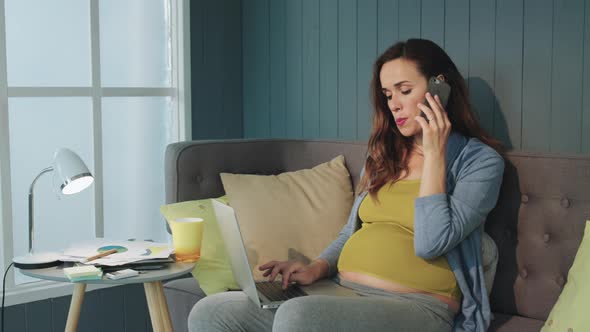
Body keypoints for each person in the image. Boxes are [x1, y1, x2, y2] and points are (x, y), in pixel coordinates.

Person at [188, 38, 504, 332]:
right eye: (388, 94)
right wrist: (317, 267)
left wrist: (435, 152)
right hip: (345, 293)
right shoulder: (385, 155)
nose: (393, 104)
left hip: (419, 308)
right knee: (210, 312)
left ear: (440, 89)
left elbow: (431, 242)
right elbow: (350, 232)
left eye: (404, 90)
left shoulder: (480, 162)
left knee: (296, 316)